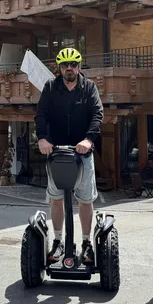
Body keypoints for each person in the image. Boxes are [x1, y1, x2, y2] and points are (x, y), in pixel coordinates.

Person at [34, 47, 104, 264]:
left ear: (79, 66)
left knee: (85, 199)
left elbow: (97, 114)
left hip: (82, 152)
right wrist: (42, 139)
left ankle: (86, 243)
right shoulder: (50, 87)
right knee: (56, 199)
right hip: (56, 153)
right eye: (65, 65)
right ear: (59, 68)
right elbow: (41, 114)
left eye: (73, 64)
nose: (69, 68)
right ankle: (58, 241)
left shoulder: (89, 88)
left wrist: (89, 139)